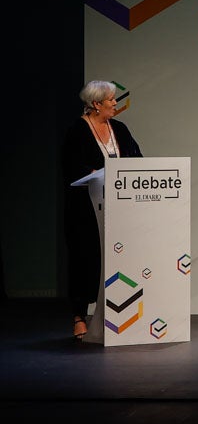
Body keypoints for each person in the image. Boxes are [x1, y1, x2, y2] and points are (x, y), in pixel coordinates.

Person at [61, 80, 143, 339]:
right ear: (96, 104)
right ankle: (79, 316)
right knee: (85, 260)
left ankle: (119, 315)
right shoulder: (77, 130)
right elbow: (71, 168)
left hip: (119, 209)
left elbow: (137, 159)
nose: (115, 103)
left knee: (120, 260)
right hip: (85, 210)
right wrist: (95, 173)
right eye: (111, 100)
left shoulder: (119, 128)